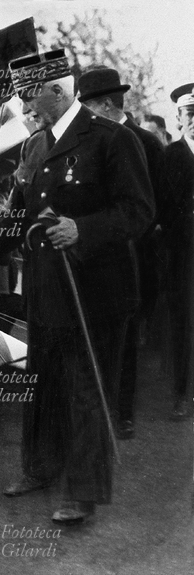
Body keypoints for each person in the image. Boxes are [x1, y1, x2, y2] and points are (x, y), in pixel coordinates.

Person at [0, 50, 154, 525]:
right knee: (41, 385)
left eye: (29, 95)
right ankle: (40, 468)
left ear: (58, 91)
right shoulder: (36, 145)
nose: (24, 105)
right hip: (46, 290)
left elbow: (139, 211)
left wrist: (83, 229)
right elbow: (22, 217)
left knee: (87, 390)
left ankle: (82, 492)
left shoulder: (113, 139)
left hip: (95, 293)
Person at [78, 67, 165, 438]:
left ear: (108, 105)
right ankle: (97, 411)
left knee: (126, 336)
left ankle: (122, 412)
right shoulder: (87, 141)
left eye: (88, 107)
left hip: (137, 253)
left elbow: (157, 203)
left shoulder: (146, 142)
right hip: (93, 253)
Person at [160, 82, 194, 420]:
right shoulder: (171, 155)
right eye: (190, 113)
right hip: (184, 255)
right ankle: (182, 394)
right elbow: (163, 207)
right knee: (184, 324)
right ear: (179, 117)